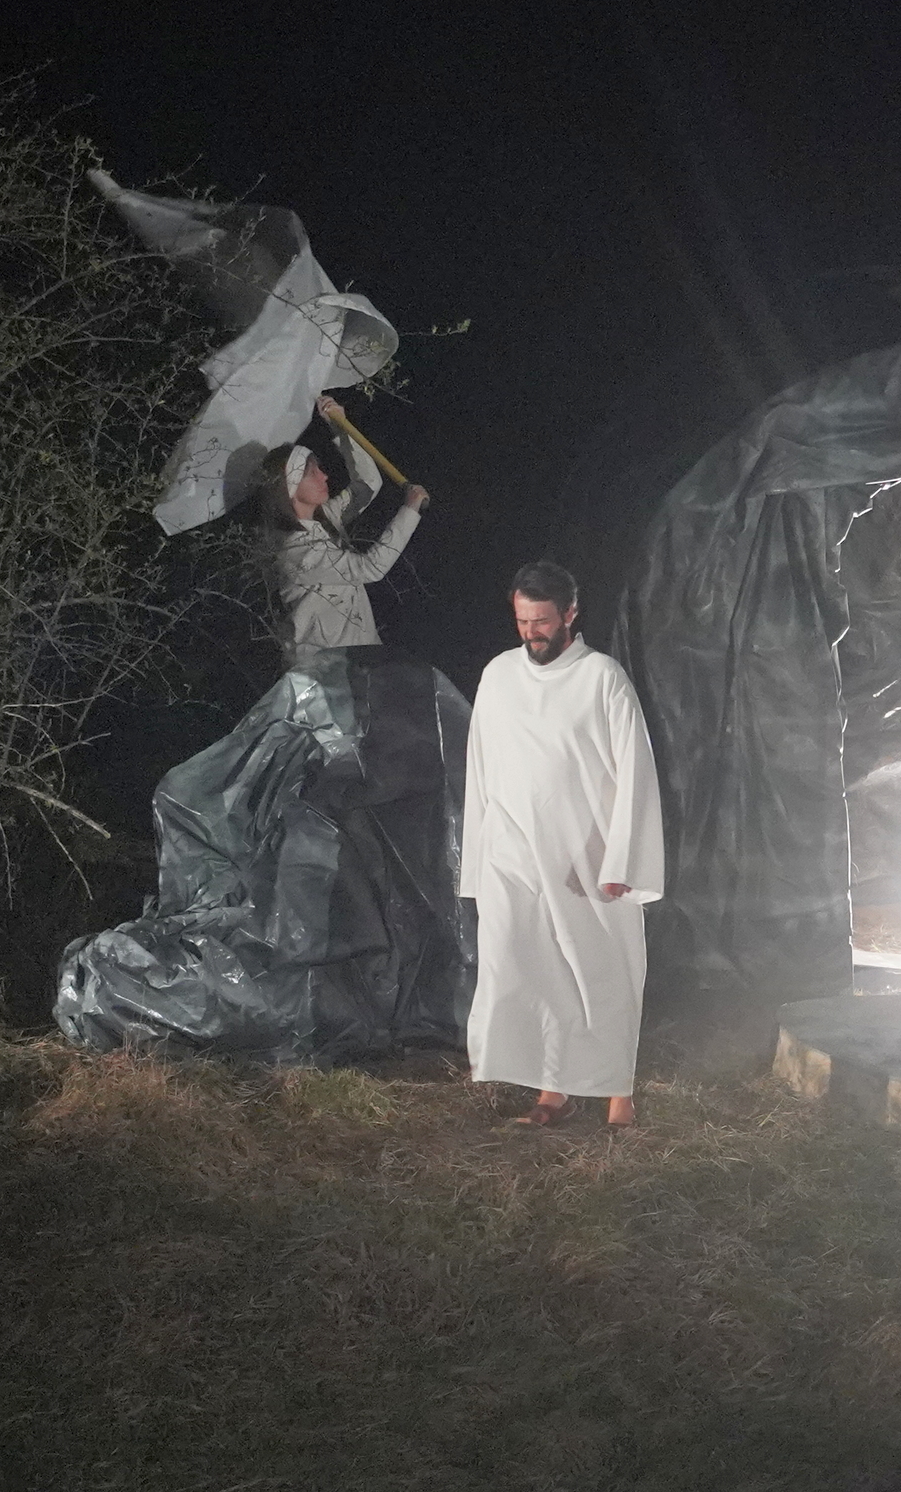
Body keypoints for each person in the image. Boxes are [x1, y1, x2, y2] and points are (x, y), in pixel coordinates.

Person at [460, 560, 665, 1127]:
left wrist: (622, 859)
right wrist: (479, 857)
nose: (532, 633)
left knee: (602, 972)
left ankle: (618, 1095)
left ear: (571, 613)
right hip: (512, 854)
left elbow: (635, 771)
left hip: (586, 860)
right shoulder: (499, 675)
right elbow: (481, 767)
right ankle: (552, 1091)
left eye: (543, 621)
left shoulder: (602, 678)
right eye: (522, 621)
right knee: (527, 968)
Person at [260, 394, 428, 667]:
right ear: (289, 489)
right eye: (312, 473)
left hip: (364, 660)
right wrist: (410, 510)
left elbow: (368, 483)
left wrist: (340, 427)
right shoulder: (295, 551)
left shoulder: (327, 517)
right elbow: (370, 568)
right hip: (327, 673)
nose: (324, 476)